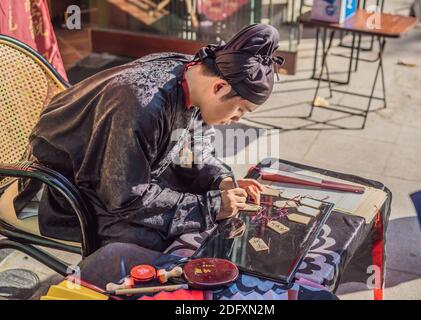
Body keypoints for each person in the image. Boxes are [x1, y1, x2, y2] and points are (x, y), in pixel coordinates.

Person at [15, 24, 284, 251]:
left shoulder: (192, 76)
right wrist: (211, 206)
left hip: (117, 173)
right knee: (154, 240)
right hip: (62, 186)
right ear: (220, 86)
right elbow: (125, 198)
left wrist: (221, 181)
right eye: (240, 109)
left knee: (203, 203)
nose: (238, 119)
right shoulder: (141, 102)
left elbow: (192, 152)